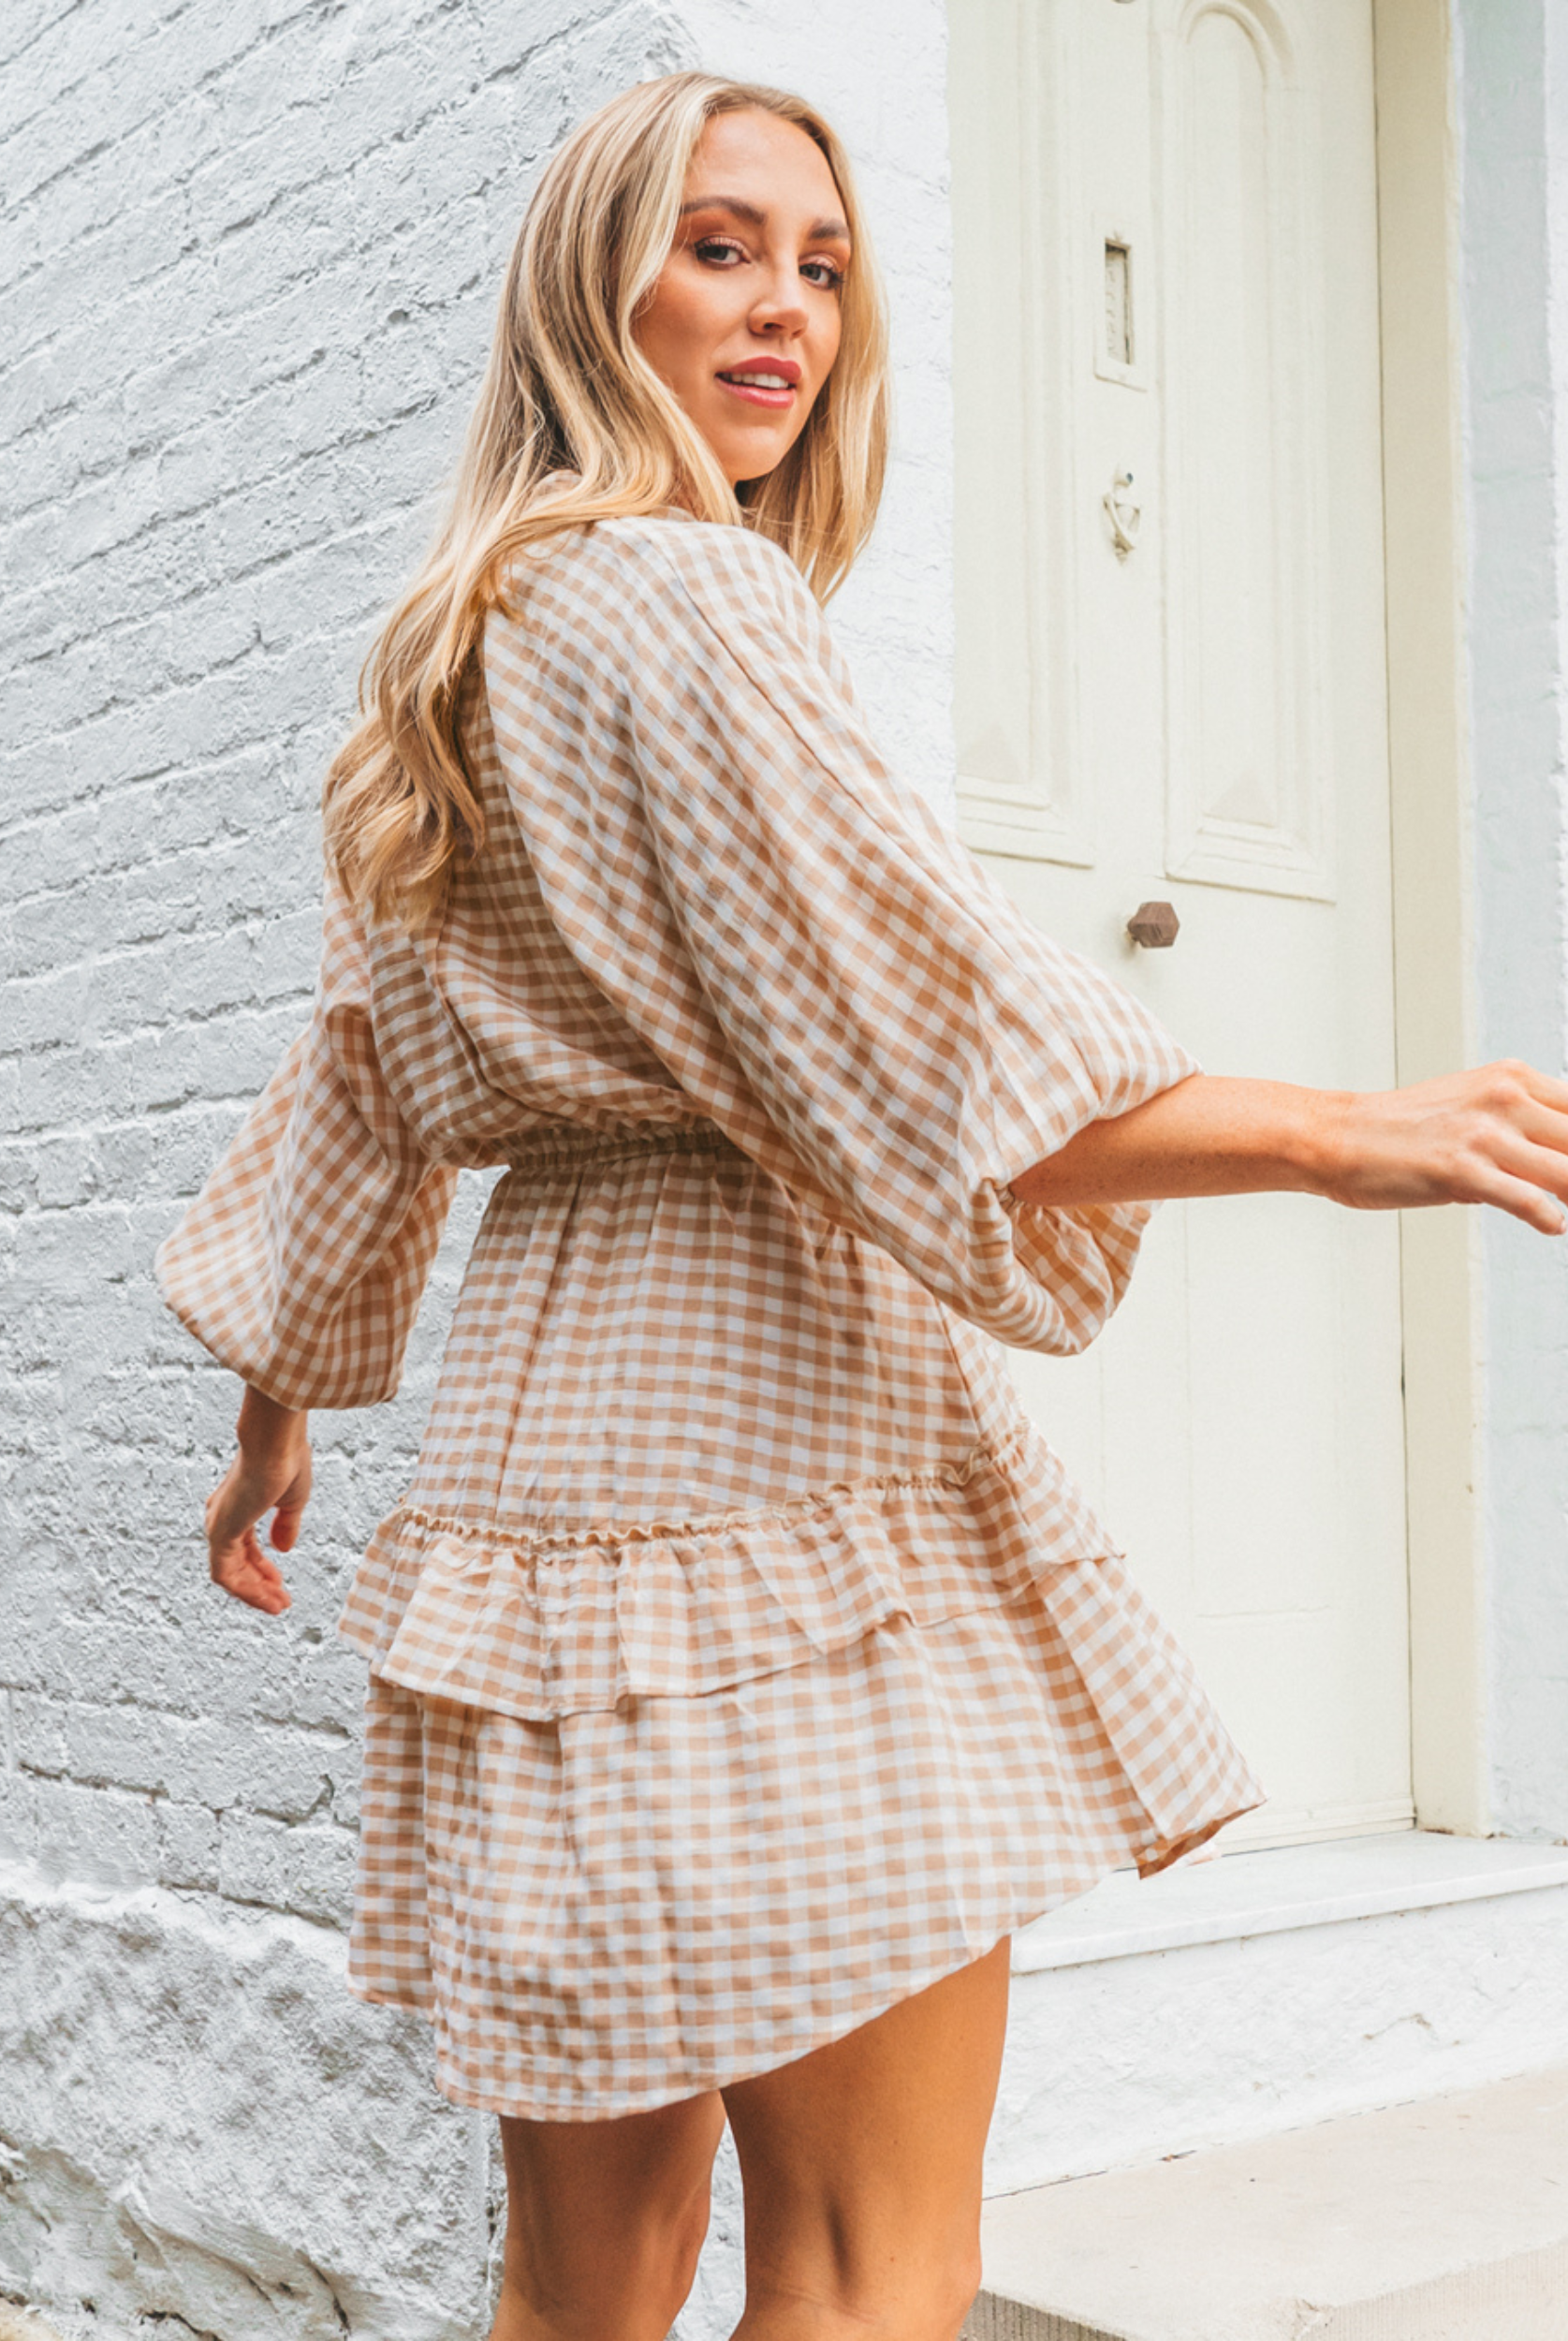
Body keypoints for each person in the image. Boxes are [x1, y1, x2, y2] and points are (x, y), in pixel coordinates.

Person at [155, 71, 1568, 2341]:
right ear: (585, 276)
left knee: (580, 2282)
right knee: (861, 2266)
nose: (782, 311)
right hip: (770, 1451)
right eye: (717, 245)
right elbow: (926, 1038)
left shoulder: (445, 647)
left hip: (539, 1465)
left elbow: (356, 1085)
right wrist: (1334, 1130)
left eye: (821, 265)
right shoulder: (691, 602)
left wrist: (280, 1403)